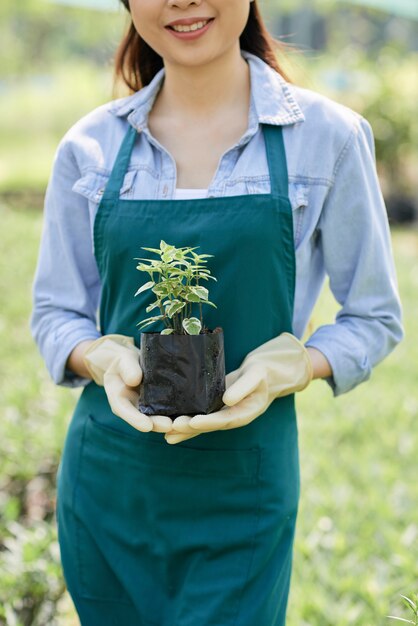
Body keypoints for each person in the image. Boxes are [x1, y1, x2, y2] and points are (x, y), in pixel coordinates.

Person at [30, 0, 404, 624]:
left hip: (245, 490)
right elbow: (53, 311)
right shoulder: (90, 148)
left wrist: (304, 363)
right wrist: (96, 353)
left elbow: (375, 316)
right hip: (110, 485)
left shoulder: (327, 138)